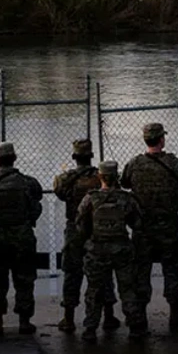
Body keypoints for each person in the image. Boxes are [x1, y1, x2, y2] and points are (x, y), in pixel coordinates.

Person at [122, 122, 178, 329]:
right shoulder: (174, 163)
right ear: (162, 139)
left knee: (142, 271)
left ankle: (140, 316)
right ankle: (174, 313)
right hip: (168, 226)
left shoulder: (134, 164)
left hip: (143, 228)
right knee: (171, 268)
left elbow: (124, 183)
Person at [75, 160, 146, 343]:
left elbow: (81, 227)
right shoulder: (126, 198)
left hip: (97, 250)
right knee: (128, 288)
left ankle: (90, 328)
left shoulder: (90, 198)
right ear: (117, 177)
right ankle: (135, 326)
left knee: (94, 289)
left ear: (100, 176)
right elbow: (137, 224)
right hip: (121, 249)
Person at [53, 139, 118, 332]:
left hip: (75, 229)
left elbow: (60, 192)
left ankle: (69, 318)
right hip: (98, 229)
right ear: (91, 156)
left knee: (72, 272)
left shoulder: (65, 179)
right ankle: (109, 315)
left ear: (74, 157)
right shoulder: (100, 178)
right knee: (104, 272)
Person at [0, 142, 44, 337]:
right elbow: (36, 204)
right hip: (22, 237)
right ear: (14, 158)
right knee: (25, 279)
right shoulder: (28, 182)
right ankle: (25, 322)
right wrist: (28, 220)